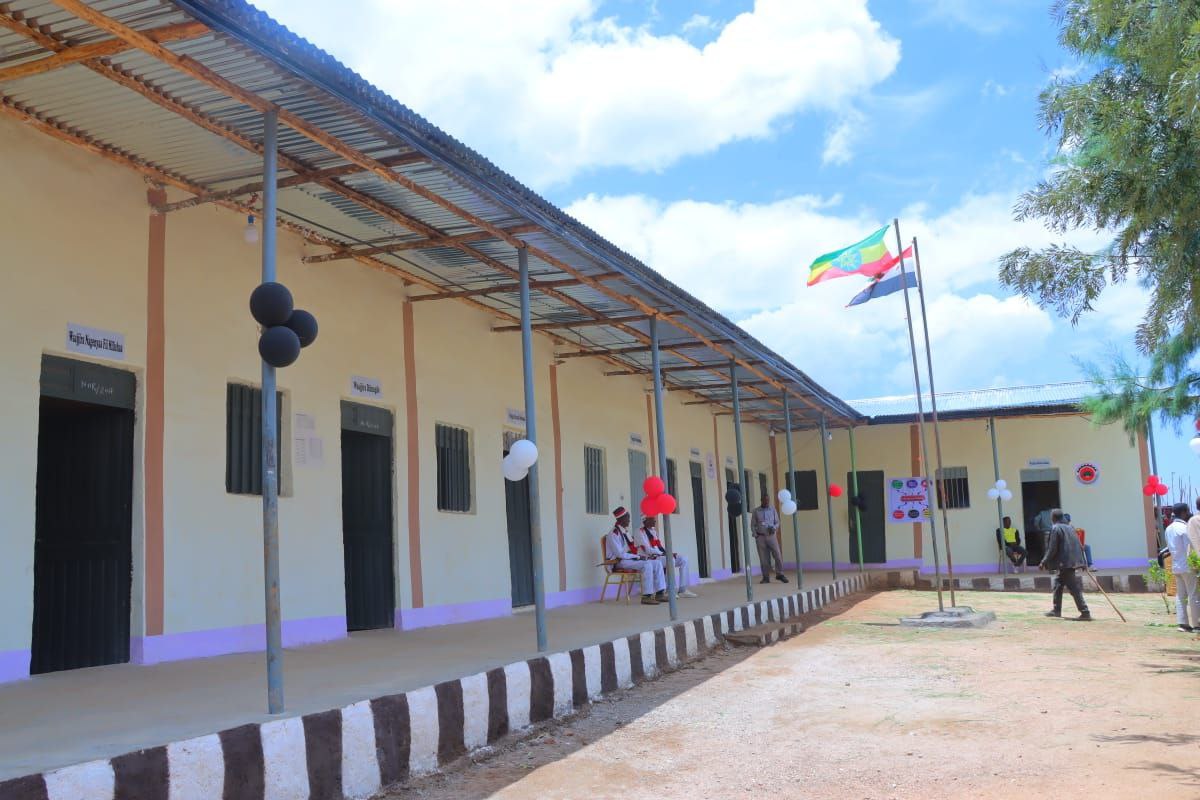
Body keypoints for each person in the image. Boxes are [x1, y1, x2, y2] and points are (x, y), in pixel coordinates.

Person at [604, 507, 667, 605]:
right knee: (647, 565)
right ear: (621, 519)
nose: (629, 520)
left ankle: (660, 593)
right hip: (618, 562)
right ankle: (646, 596)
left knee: (657, 563)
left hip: (628, 559)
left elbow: (632, 549)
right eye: (627, 518)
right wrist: (638, 557)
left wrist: (640, 556)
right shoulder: (613, 534)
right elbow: (620, 554)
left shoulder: (625, 531)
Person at [1040, 508, 1091, 620]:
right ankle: (1056, 610)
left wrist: (1044, 561)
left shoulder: (1055, 528)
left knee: (1073, 588)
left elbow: (1052, 548)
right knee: (1058, 585)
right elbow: (1079, 545)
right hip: (1069, 562)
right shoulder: (1070, 528)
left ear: (1053, 518)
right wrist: (1082, 562)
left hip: (1065, 563)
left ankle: (1085, 612)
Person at [635, 516, 698, 598]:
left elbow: (659, 546)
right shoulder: (639, 532)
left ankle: (683, 589)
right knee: (670, 560)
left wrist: (667, 553)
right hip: (650, 558)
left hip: (659, 556)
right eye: (652, 519)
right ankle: (670, 590)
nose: (655, 521)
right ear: (645, 521)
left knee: (684, 559)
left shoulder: (653, 531)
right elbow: (647, 550)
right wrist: (666, 554)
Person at [1167, 502, 1200, 632]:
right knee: (1193, 594)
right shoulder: (1185, 528)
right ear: (1184, 512)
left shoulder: (1169, 528)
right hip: (1187, 566)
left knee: (1180, 595)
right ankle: (1197, 624)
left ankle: (1182, 623)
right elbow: (1191, 548)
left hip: (1176, 565)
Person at [751, 494, 788, 584]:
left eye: (768, 500)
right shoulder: (756, 511)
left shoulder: (772, 509)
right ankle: (765, 577)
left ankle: (780, 574)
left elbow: (777, 522)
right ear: (761, 500)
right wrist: (756, 535)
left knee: (778, 555)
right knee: (763, 558)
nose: (767, 502)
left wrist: (774, 528)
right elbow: (753, 525)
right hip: (760, 537)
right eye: (765, 500)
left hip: (771, 537)